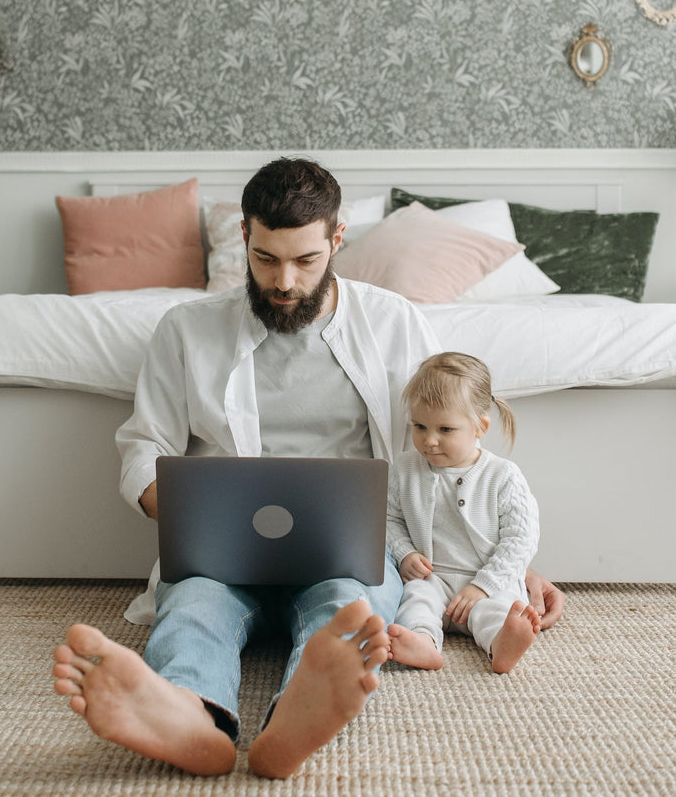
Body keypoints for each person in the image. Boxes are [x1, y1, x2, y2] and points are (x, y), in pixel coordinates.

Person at [52, 158, 564, 779]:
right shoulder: (186, 329)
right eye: (266, 259)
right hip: (222, 550)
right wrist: (191, 512)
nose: (284, 281)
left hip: (347, 551)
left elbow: (444, 448)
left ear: (337, 239)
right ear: (244, 236)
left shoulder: (394, 322)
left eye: (306, 260)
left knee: (349, 608)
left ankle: (295, 717)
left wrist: (499, 559)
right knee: (191, 608)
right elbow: (143, 445)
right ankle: (190, 715)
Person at [385, 352, 542, 674]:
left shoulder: (502, 475)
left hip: (485, 580)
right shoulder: (403, 468)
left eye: (445, 429)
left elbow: (521, 538)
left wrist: (483, 585)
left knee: (497, 612)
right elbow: (389, 519)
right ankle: (423, 643)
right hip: (432, 577)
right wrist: (405, 553)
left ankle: (503, 645)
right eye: (419, 426)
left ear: (479, 427)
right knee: (415, 602)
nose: (429, 441)